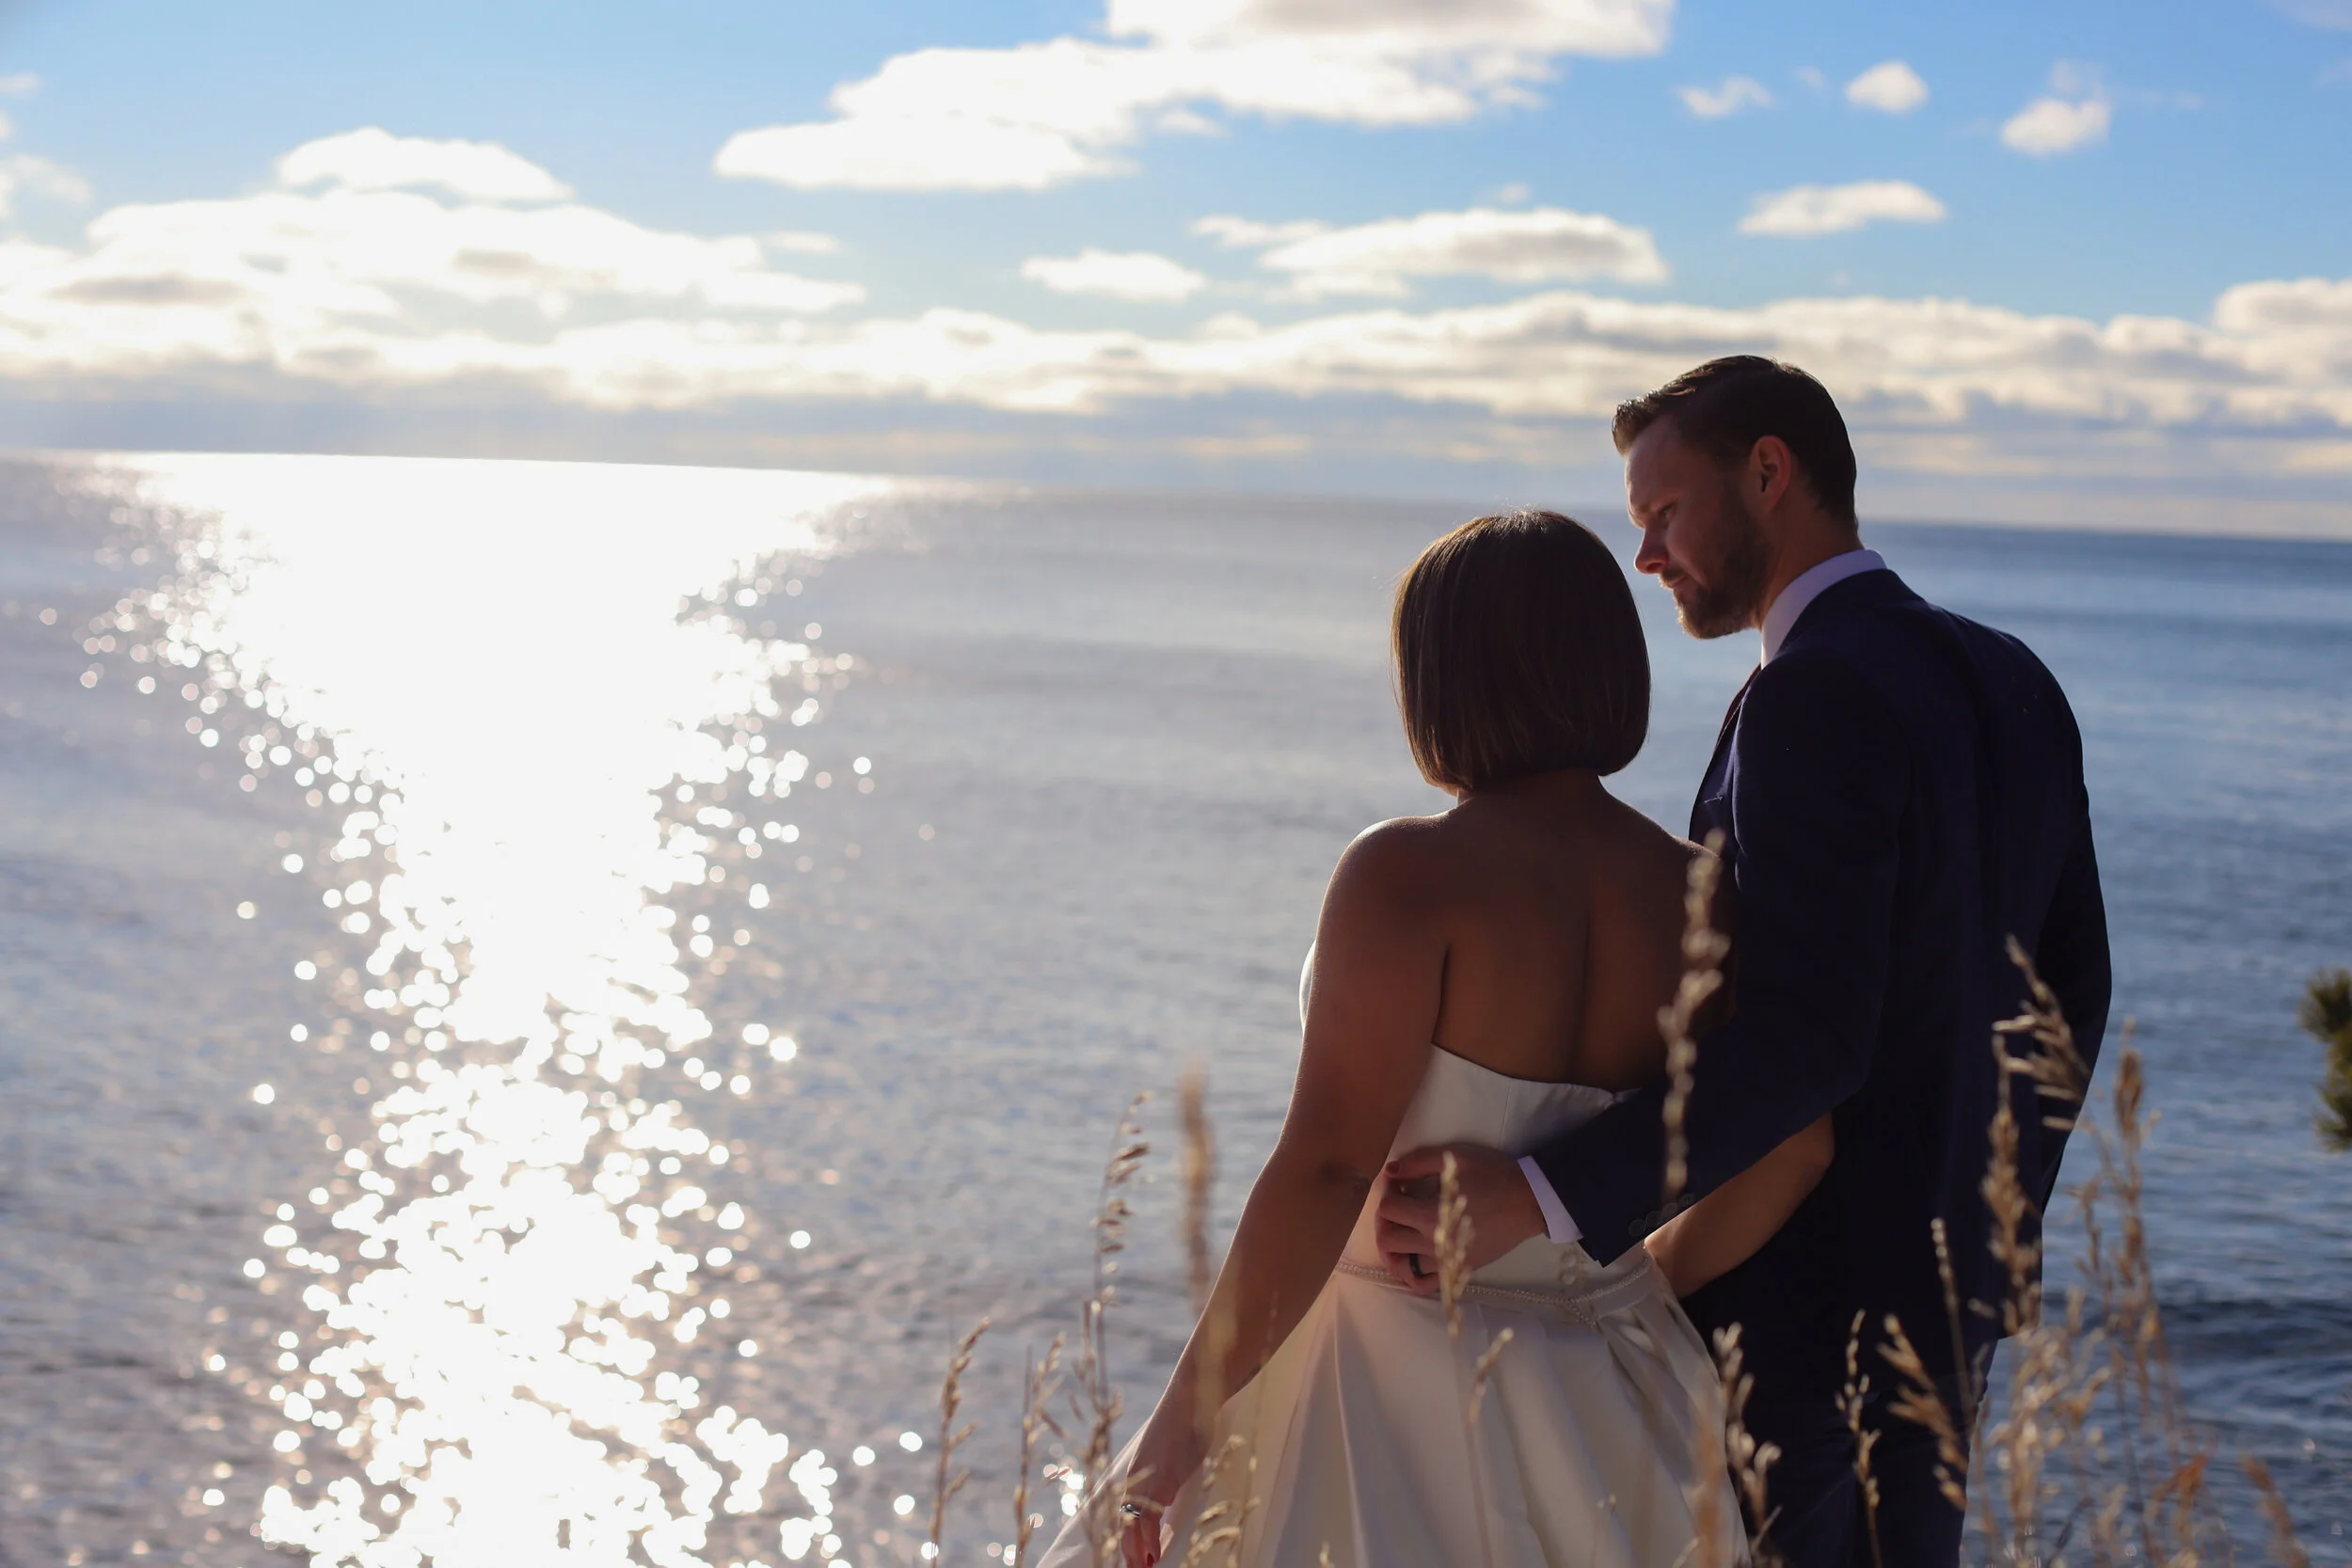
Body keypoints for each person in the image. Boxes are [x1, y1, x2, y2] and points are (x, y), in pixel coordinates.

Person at [1375, 357, 2112, 1567]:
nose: (1646, 556)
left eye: (1664, 512)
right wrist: (1988, 1222)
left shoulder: (1806, 694)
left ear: (1769, 471)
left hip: (1794, 1313)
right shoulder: (2012, 674)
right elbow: (2070, 994)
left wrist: (1544, 1194)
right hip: (1948, 1311)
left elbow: (1805, 1035)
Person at [1040, 508, 1836, 1568]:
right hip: (1620, 1400)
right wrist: (1630, 1279)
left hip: (1382, 1389)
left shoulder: (1406, 875)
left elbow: (1327, 1167)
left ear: (1441, 677)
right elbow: (1796, 1143)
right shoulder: (1705, 898)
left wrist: (1175, 1428)